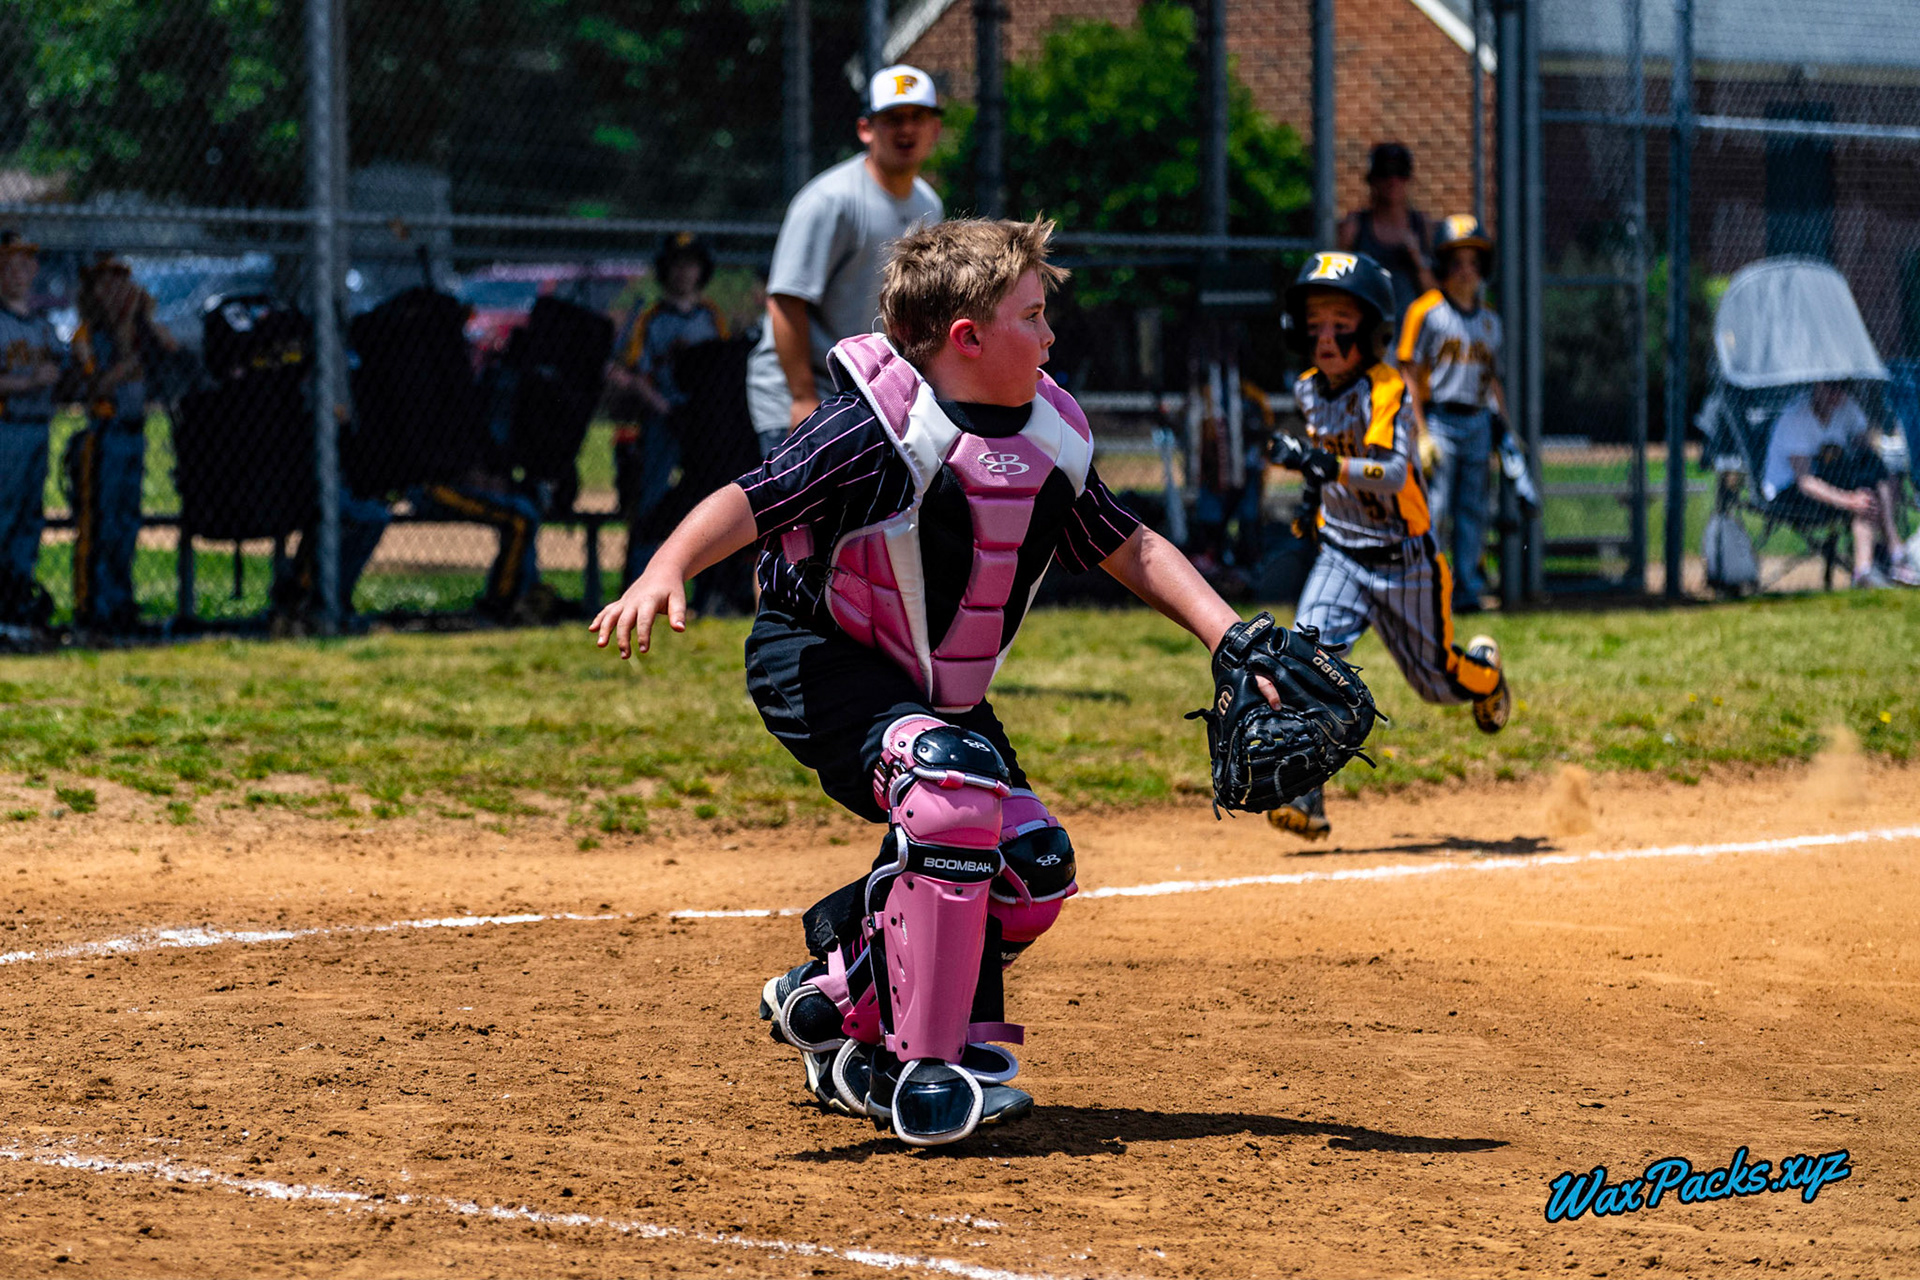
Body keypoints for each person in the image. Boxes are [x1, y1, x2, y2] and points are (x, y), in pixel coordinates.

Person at [590, 218, 1295, 1146]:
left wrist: (1229, 637)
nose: (1051, 338)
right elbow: (752, 499)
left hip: (940, 695)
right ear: (966, 338)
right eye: (1033, 317)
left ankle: (842, 991)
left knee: (1034, 871)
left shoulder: (1049, 437)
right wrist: (664, 568)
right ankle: (923, 1069)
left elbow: (1131, 544)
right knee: (951, 790)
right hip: (820, 659)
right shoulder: (875, 429)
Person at [1267, 251, 1512, 842]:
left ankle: (1486, 677)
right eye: (1315, 323)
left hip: (1407, 564)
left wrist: (1322, 462)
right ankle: (1308, 795)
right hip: (1343, 554)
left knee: (1436, 684)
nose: (1325, 338)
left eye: (1341, 323)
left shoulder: (1387, 389)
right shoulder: (1308, 390)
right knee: (1303, 663)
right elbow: (1326, 459)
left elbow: (1395, 472)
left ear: (1372, 330)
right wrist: (1311, 495)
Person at [745, 64, 944, 458]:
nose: (907, 130)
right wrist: (801, 398)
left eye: (918, 117)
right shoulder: (831, 201)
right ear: (866, 129)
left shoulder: (928, 205)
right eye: (893, 119)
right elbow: (785, 301)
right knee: (797, 519)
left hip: (869, 395)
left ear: (935, 129)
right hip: (805, 391)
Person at [66, 252, 179, 635]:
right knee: (102, 524)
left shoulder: (140, 330)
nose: (115, 291)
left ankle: (120, 603)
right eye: (105, 283)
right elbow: (98, 383)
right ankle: (92, 607)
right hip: (105, 434)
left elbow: (171, 350)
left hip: (136, 432)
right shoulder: (87, 334)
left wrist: (141, 321)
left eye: (121, 281)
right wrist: (129, 340)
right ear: (92, 291)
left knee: (128, 524)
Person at [1398, 215, 1507, 612]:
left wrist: (1506, 432)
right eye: (1456, 262)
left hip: (1477, 420)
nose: (1465, 271)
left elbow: (1494, 380)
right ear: (1442, 266)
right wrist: (1419, 431)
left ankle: (1467, 590)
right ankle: (1429, 587)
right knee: (1436, 508)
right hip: (1439, 418)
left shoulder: (1490, 320)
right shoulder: (1427, 311)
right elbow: (1408, 372)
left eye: (1473, 263)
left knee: (1472, 510)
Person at [609, 233, 730, 582]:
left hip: (702, 422)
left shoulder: (710, 316)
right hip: (663, 417)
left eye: (690, 265)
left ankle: (710, 584)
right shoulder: (652, 318)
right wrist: (663, 407)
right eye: (676, 265)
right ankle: (640, 579)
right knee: (652, 496)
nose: (683, 273)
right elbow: (636, 373)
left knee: (710, 495)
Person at [1762, 381, 1919, 588]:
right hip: (1789, 493)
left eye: (1843, 387)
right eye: (1830, 387)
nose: (1837, 393)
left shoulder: (1846, 408)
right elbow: (1805, 482)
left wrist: (1880, 447)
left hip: (1831, 486)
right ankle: (1885, 558)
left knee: (1869, 480)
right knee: (1861, 496)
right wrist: (1849, 501)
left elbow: (1866, 450)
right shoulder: (1796, 418)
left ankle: (1874, 565)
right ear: (1817, 386)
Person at [0, 229, 68, 643]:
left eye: (26, 262)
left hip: (39, 430)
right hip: (6, 429)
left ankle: (16, 605)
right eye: (9, 263)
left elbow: (66, 377)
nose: (19, 271)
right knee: (4, 517)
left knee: (29, 519)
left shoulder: (43, 326)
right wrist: (27, 384)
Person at [1338, 143, 1437, 322]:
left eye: (1400, 173)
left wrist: (1418, 260)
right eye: (1385, 172)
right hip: (1368, 331)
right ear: (1372, 179)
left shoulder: (1422, 226)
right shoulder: (1355, 227)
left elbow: (1436, 297)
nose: (1393, 181)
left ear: (1409, 179)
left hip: (1413, 337)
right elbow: (1339, 288)